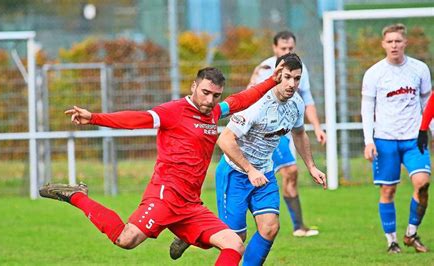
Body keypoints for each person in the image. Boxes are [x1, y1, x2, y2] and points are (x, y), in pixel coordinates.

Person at [39, 65, 285, 265]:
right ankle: (78, 197)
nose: (210, 100)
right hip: (164, 197)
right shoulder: (174, 111)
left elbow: (241, 100)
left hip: (190, 204)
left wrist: (272, 81)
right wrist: (94, 118)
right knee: (126, 239)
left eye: (216, 95)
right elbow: (136, 119)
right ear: (194, 87)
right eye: (205, 93)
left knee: (234, 244)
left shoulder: (212, 113)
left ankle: (184, 233)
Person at [215, 53, 326, 265]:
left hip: (264, 172)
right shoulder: (255, 104)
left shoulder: (297, 103)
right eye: (286, 77)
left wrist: (311, 166)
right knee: (234, 240)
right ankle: (191, 234)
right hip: (235, 173)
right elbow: (225, 139)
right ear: (276, 75)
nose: (292, 84)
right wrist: (249, 169)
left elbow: (299, 133)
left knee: (270, 228)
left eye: (297, 78)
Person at [361, 23, 431, 254]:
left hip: (414, 139)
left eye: (398, 41)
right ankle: (392, 241)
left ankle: (411, 232)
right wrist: (368, 141)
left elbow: (427, 105)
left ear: (405, 43)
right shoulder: (374, 73)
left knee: (422, 184)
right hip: (384, 139)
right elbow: (366, 108)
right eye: (390, 41)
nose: (394, 45)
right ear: (383, 44)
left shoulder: (419, 69)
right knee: (388, 191)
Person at [250, 30, 326, 237]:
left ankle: (297, 226)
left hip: (285, 130)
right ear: (275, 48)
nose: (287, 51)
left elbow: (307, 99)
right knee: (290, 171)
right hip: (266, 133)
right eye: (283, 48)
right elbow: (249, 98)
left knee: (286, 174)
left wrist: (317, 127)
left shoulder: (301, 70)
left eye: (291, 48)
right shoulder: (265, 69)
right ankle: (294, 226)